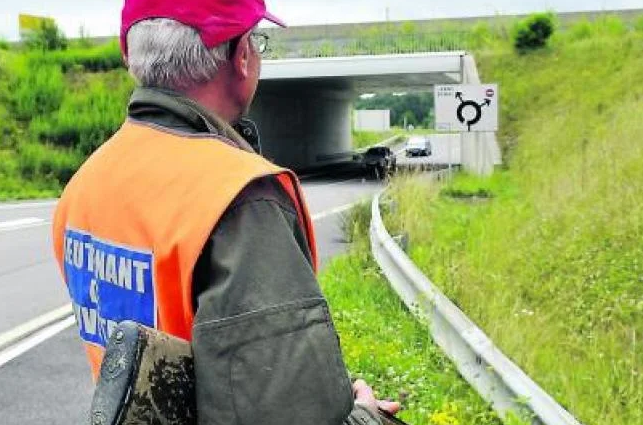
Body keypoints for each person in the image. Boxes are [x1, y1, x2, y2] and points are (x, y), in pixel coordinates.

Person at [51, 0, 400, 423]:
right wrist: (365, 415)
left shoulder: (86, 184)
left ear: (129, 55)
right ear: (241, 56)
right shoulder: (239, 198)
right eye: (257, 40)